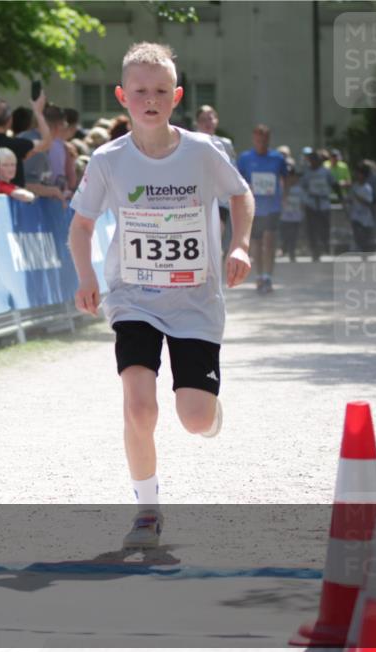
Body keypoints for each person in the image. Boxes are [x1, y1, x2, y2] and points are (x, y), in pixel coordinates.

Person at [68, 42, 252, 549]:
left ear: (177, 96)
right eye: (140, 91)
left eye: (160, 91)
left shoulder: (203, 152)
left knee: (194, 419)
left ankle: (207, 410)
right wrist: (86, 276)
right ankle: (147, 510)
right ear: (122, 96)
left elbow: (240, 195)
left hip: (195, 301)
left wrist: (240, 244)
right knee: (139, 408)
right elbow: (81, 226)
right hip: (134, 298)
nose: (150, 100)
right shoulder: (108, 160)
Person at [237, 124, 287, 293]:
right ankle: (259, 275)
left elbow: (286, 178)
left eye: (264, 140)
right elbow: (239, 180)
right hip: (254, 207)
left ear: (269, 139)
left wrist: (284, 197)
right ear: (254, 139)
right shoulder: (245, 158)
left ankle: (268, 276)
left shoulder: (277, 158)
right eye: (258, 140)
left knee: (270, 240)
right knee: (256, 242)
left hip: (272, 206)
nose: (261, 143)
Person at [0, 94, 52, 188]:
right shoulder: (17, 145)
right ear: (10, 120)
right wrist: (38, 113)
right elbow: (46, 143)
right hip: (12, 195)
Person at [194, 105, 237, 251]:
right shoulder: (189, 142)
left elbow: (233, 170)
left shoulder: (226, 144)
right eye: (203, 119)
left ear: (216, 121)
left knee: (215, 239)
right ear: (197, 123)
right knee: (200, 242)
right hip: (196, 200)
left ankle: (216, 263)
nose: (207, 122)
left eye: (210, 118)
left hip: (219, 200)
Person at [20, 104, 70, 204]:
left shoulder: (31, 140)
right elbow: (25, 185)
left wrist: (57, 190)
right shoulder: (36, 148)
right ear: (58, 126)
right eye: (64, 126)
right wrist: (54, 191)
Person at [299, 149, 340, 262]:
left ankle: (324, 246)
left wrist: (341, 198)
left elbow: (334, 184)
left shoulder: (325, 172)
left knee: (324, 227)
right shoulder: (307, 172)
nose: (313, 162)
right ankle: (314, 250)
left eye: (315, 160)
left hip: (323, 203)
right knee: (311, 228)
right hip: (311, 203)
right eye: (311, 160)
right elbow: (302, 186)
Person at [347, 162, 376, 253]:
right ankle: (358, 248)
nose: (358, 176)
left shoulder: (367, 188)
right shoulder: (354, 186)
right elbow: (350, 199)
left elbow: (368, 202)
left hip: (365, 217)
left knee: (365, 236)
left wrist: (357, 197)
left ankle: (366, 250)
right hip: (355, 215)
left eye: (360, 174)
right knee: (357, 233)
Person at [279, 168, 304, 262]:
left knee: (294, 236)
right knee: (285, 236)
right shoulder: (281, 189)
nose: (291, 179)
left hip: (296, 217)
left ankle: (292, 253)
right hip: (284, 217)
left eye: (293, 177)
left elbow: (302, 203)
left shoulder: (299, 189)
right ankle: (284, 250)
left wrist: (302, 214)